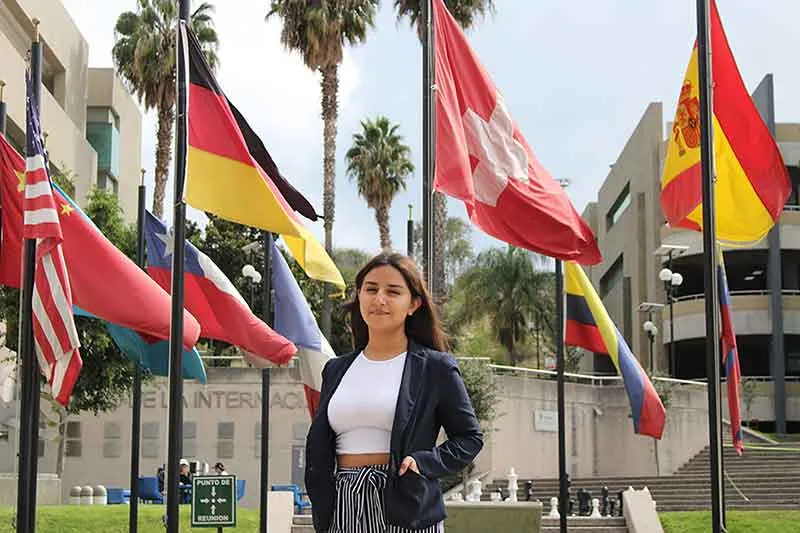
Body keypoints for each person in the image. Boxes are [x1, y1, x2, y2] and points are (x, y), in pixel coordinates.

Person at [305, 253, 483, 532]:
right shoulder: (336, 369)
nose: (379, 299)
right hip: (343, 502)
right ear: (359, 296)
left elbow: (470, 438)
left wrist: (424, 462)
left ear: (413, 304)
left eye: (393, 291)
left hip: (405, 501)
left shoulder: (435, 368)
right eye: (371, 289)